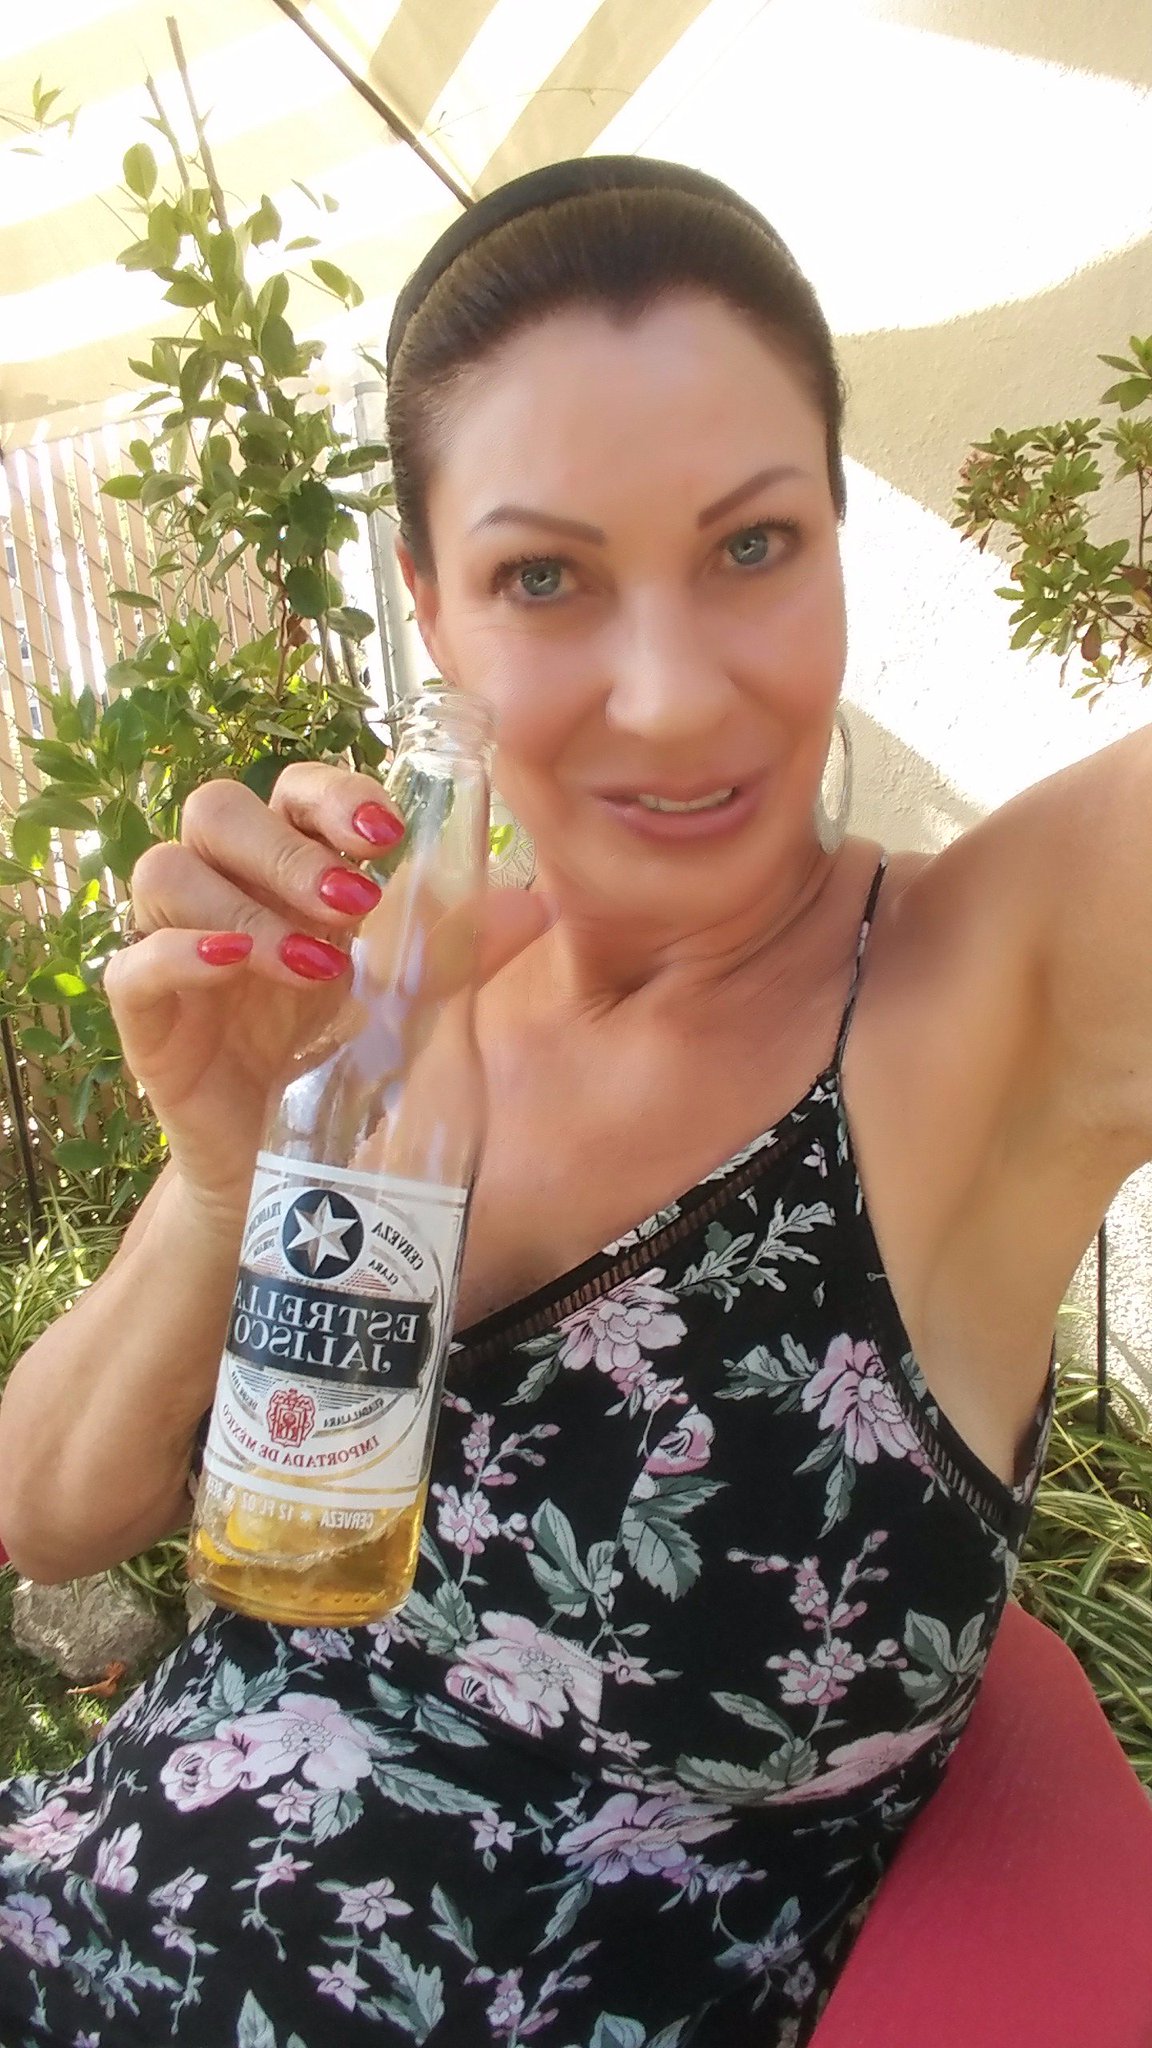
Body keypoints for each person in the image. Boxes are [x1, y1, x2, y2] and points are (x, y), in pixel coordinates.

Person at [0, 153, 1146, 2048]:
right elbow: (49, 1509)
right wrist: (225, 1191)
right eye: (544, 576)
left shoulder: (981, 996)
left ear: (839, 535)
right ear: (433, 609)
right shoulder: (395, 991)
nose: (673, 694)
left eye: (753, 544)